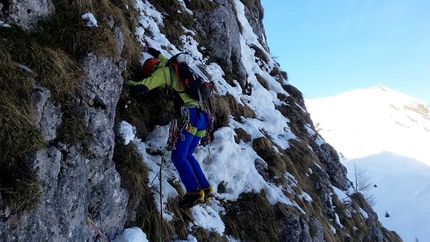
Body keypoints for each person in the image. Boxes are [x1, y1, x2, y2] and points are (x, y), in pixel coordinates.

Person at [126, 41, 214, 208]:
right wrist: (152, 50)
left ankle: (193, 191)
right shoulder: (173, 67)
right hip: (202, 117)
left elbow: (142, 88)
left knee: (178, 156)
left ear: (151, 70)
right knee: (188, 155)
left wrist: (127, 82)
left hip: (188, 116)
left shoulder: (162, 72)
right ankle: (205, 188)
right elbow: (162, 57)